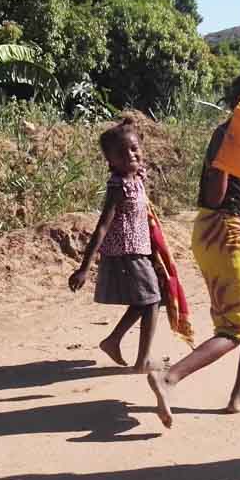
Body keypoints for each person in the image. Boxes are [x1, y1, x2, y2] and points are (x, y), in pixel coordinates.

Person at [147, 70, 240, 427]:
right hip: (224, 231)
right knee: (237, 326)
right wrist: (227, 158)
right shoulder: (227, 136)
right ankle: (169, 377)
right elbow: (213, 197)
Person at [68, 116, 161, 372]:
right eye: (121, 153)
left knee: (145, 300)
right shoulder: (118, 186)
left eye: (134, 148)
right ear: (110, 161)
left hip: (139, 250)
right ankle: (142, 360)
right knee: (152, 300)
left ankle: (113, 340)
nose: (130, 155)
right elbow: (102, 227)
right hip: (127, 252)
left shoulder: (137, 177)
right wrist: (84, 268)